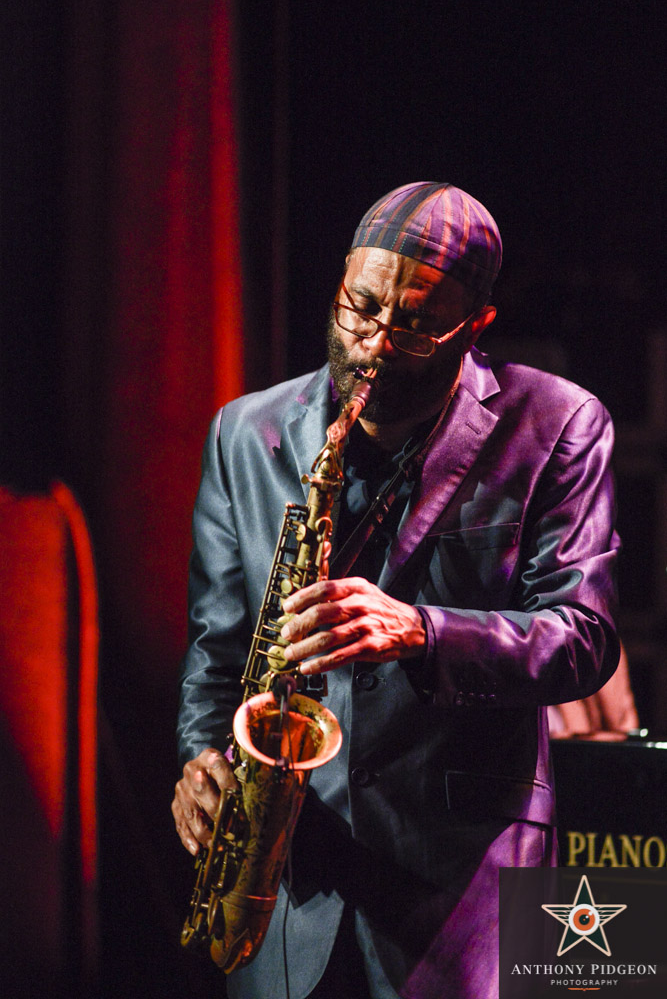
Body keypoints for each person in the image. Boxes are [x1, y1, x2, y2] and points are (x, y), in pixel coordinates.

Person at [172, 182, 620, 999]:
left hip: (466, 889)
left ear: (474, 324)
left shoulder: (555, 422)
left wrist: (419, 630)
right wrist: (201, 759)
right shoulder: (246, 432)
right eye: (359, 307)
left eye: (413, 322)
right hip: (290, 880)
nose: (373, 343)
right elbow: (218, 646)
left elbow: (582, 637)